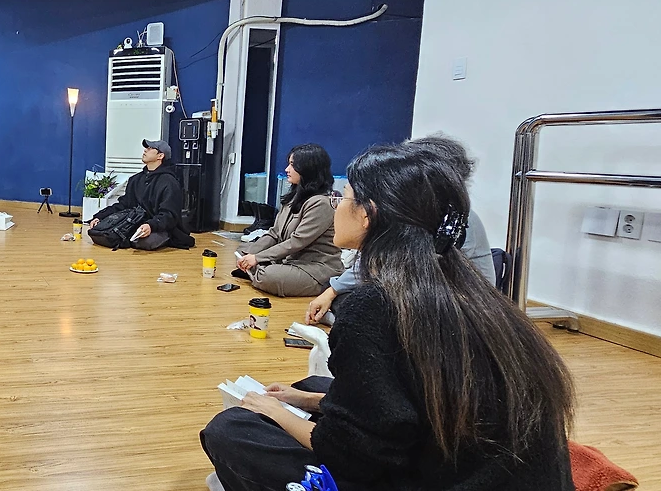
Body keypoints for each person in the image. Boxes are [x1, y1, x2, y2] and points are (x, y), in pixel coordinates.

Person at [200, 138, 576, 491]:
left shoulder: (374, 308)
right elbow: (415, 402)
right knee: (313, 386)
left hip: (436, 477)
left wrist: (274, 411)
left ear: (367, 214)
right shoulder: (472, 291)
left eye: (344, 197)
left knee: (231, 430)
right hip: (495, 469)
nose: (337, 206)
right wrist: (301, 401)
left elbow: (351, 457)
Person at [306, 136, 496, 325]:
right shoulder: (421, 214)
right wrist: (333, 290)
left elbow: (414, 278)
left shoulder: (449, 220)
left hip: (452, 309)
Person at [233, 144, 343, 296]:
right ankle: (256, 269)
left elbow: (297, 242)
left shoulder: (321, 203)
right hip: (289, 260)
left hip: (315, 268)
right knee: (242, 251)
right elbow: (274, 234)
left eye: (292, 165)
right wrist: (250, 254)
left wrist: (257, 258)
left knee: (268, 277)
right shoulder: (293, 198)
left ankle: (258, 270)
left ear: (307, 169)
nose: (287, 169)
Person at [88, 139, 194, 250]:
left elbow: (169, 215)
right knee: (101, 232)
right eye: (146, 148)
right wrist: (100, 217)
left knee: (143, 242)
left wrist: (151, 225)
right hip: (136, 223)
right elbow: (123, 205)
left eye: (150, 148)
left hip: (159, 227)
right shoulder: (136, 179)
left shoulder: (169, 182)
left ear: (160, 156)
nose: (145, 150)